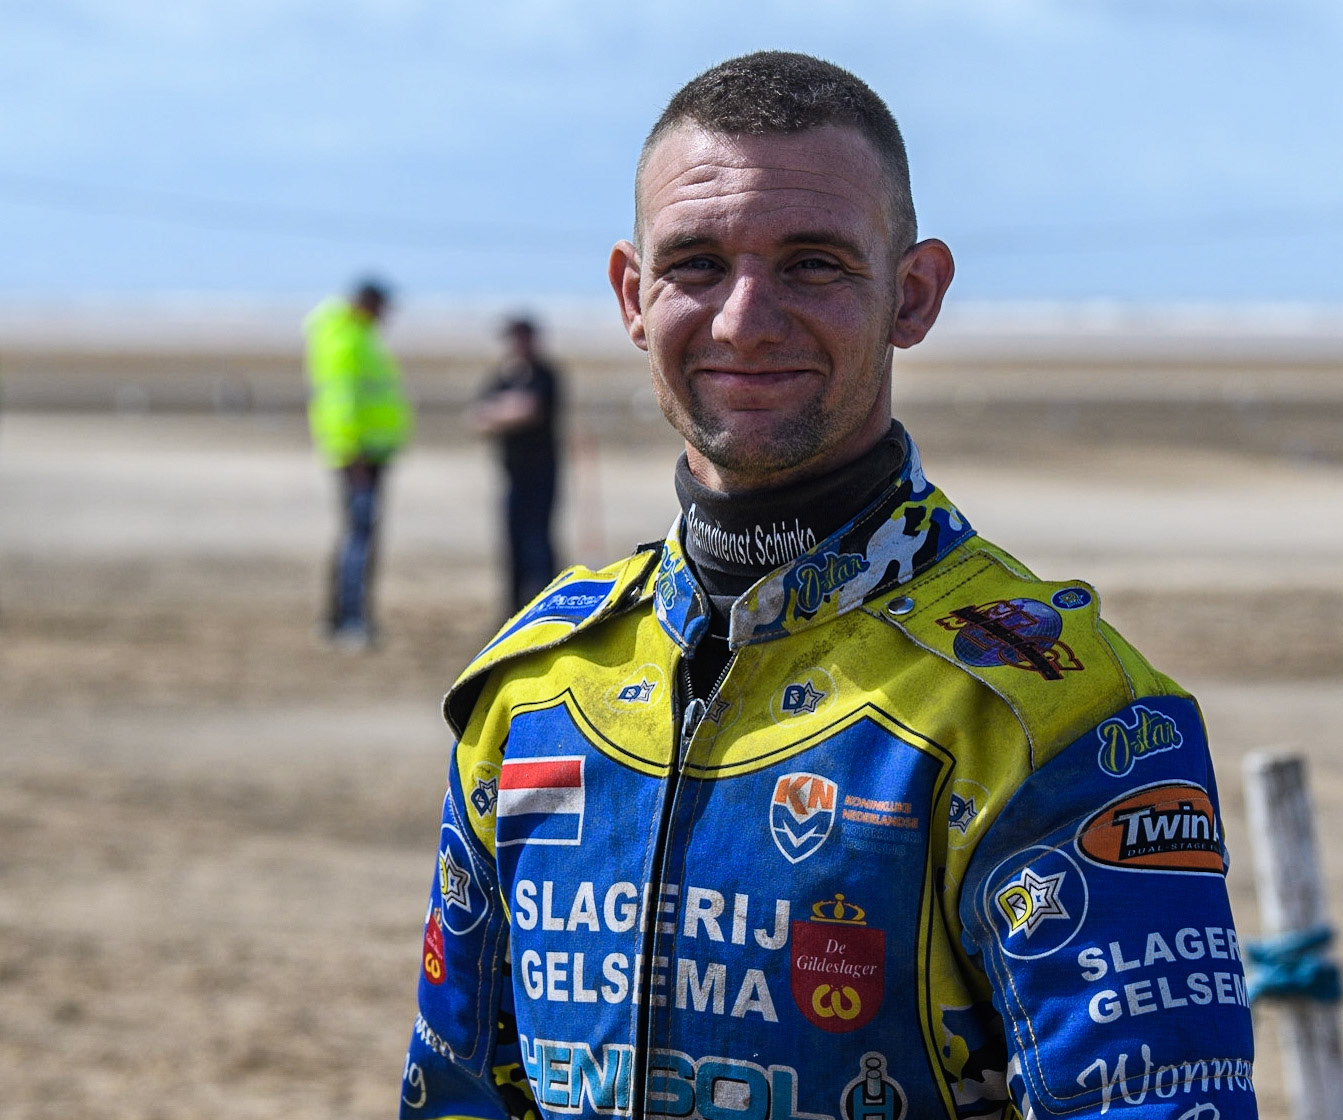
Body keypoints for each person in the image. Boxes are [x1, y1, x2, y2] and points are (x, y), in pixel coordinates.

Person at [400, 52, 1257, 1120]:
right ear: (631, 294)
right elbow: (454, 1097)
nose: (743, 320)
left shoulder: (1057, 714)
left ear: (913, 293)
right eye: (696, 265)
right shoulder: (532, 691)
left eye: (811, 265)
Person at [303, 277, 411, 650]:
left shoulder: (360, 336)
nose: (384, 316)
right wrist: (353, 452)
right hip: (359, 456)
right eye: (381, 307)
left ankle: (338, 617)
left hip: (368, 453)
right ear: (367, 303)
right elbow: (342, 400)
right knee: (359, 537)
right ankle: (350, 619)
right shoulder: (346, 338)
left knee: (356, 534)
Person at [470, 316, 565, 614]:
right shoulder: (502, 376)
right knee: (512, 542)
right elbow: (477, 417)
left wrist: (503, 411)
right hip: (512, 474)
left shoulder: (545, 374)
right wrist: (506, 410)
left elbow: (530, 411)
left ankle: (546, 606)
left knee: (538, 541)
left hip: (543, 472)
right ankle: (512, 610)